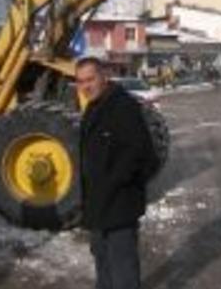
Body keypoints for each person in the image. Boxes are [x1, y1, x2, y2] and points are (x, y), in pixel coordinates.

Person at [76, 56, 155, 289]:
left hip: (120, 207)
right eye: (80, 82)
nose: (86, 86)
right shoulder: (92, 108)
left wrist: (117, 184)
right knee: (103, 269)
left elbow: (143, 156)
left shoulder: (124, 107)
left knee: (123, 273)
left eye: (90, 79)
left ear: (104, 77)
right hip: (98, 208)